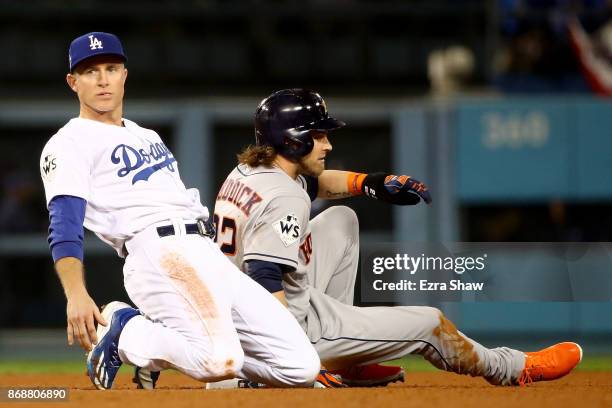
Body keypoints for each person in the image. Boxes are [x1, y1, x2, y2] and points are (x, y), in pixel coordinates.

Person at [211, 88, 583, 387]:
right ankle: (512, 367)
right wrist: (293, 360)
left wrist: (371, 184)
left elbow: (314, 185)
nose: (327, 145)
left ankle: (343, 361)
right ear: (293, 141)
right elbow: (264, 273)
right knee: (429, 323)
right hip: (276, 333)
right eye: (318, 135)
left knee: (341, 220)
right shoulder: (285, 196)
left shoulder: (250, 169)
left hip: (239, 322)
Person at [39, 33, 320, 391]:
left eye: (111, 68)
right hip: (158, 254)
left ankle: (212, 358)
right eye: (90, 71)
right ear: (73, 82)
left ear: (125, 74)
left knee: (301, 368)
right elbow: (64, 224)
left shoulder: (146, 135)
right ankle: (127, 329)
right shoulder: (68, 143)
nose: (103, 79)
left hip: (206, 251)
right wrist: (76, 293)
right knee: (219, 360)